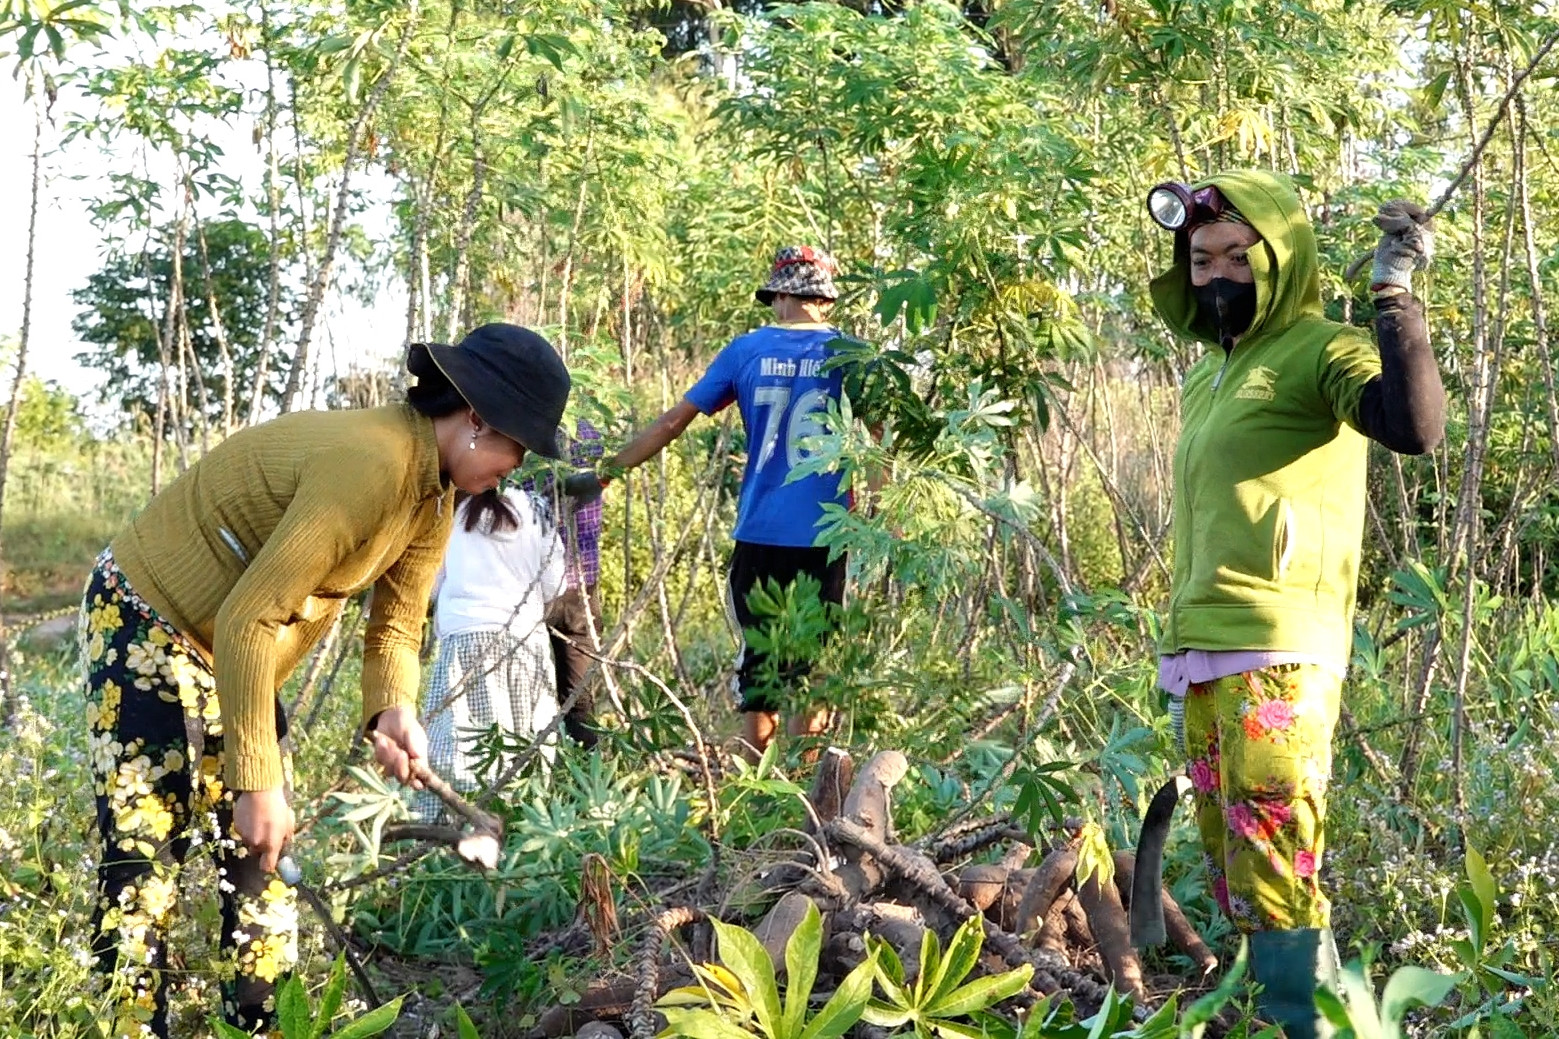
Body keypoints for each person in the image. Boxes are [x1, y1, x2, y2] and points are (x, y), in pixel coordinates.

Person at [79, 323, 570, 1036]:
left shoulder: (433, 491)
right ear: (476, 418)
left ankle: (265, 1025)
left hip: (231, 646)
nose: (515, 465)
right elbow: (249, 617)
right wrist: (259, 781)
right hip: (151, 618)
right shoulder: (367, 463)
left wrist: (393, 711)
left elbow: (398, 620)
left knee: (263, 860)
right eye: (516, 446)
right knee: (146, 855)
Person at [1146, 172, 1445, 1038]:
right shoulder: (1210, 374)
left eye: (1239, 255)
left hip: (1280, 643)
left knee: (1276, 858)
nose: (1217, 274)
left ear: (1281, 258)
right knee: (1235, 866)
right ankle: (1284, 1015)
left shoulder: (1322, 347)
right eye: (1201, 259)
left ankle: (1308, 1027)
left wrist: (1392, 297)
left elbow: (1414, 427)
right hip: (1202, 642)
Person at [570, 246, 855, 761]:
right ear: (823, 298)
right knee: (811, 666)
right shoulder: (851, 354)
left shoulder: (746, 351)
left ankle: (753, 782)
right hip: (828, 533)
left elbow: (671, 422)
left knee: (762, 667)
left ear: (782, 294)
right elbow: (873, 442)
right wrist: (875, 519)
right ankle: (806, 787)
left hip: (762, 531)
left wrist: (608, 472)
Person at [418, 484, 566, 822]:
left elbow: (429, 585)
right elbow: (555, 584)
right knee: (530, 743)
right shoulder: (536, 509)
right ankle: (525, 829)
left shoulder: (448, 511)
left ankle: (449, 835)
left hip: (464, 640)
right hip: (524, 640)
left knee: (455, 747)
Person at [522, 419, 606, 748]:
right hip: (580, 582)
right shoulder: (591, 432)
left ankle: (545, 779)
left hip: (536, 584)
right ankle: (587, 779)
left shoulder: (522, 431)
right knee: (578, 698)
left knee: (527, 693)